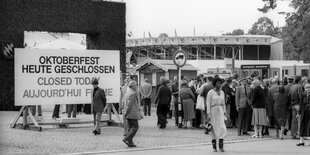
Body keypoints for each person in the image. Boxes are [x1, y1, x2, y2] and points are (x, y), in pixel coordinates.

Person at [206, 77, 227, 152]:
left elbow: (224, 103)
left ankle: (221, 146)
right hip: (213, 111)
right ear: (215, 84)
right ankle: (214, 147)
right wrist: (208, 113)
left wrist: (225, 111)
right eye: (218, 83)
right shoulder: (210, 92)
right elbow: (208, 103)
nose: (220, 84)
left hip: (220, 111)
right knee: (213, 128)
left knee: (222, 127)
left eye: (220, 83)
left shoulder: (222, 92)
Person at [122, 81, 141, 147]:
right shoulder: (133, 93)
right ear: (132, 86)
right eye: (136, 86)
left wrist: (124, 112)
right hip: (131, 113)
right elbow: (129, 105)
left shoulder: (127, 93)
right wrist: (126, 112)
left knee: (130, 128)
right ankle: (127, 139)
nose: (136, 87)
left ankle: (130, 142)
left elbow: (124, 103)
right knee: (135, 126)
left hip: (128, 113)